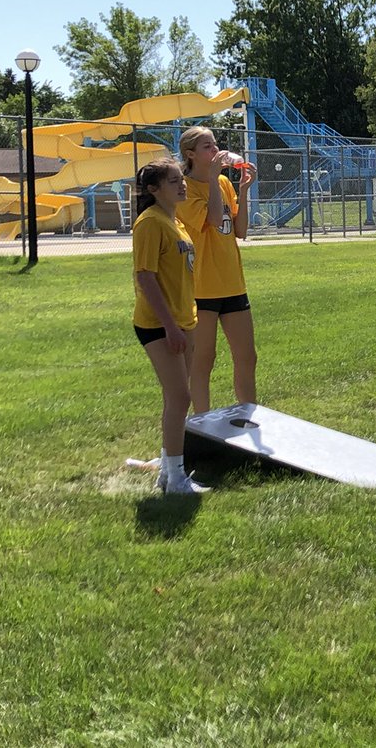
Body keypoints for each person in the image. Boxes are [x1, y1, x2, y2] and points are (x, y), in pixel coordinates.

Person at [131, 156, 208, 495]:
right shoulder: (150, 223)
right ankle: (176, 479)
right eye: (174, 180)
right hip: (158, 325)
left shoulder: (175, 223)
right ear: (153, 189)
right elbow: (145, 277)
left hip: (183, 320)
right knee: (181, 396)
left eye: (182, 178)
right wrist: (170, 328)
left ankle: (167, 467)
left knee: (177, 398)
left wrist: (186, 321)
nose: (182, 184)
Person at [176, 126, 258, 414]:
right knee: (203, 361)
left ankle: (249, 417)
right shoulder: (183, 189)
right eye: (207, 147)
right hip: (203, 288)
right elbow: (211, 218)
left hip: (233, 284)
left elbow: (240, 231)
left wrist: (243, 191)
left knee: (247, 357)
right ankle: (202, 425)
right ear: (190, 154)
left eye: (215, 145)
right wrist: (211, 178)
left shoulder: (223, 183)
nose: (215, 151)